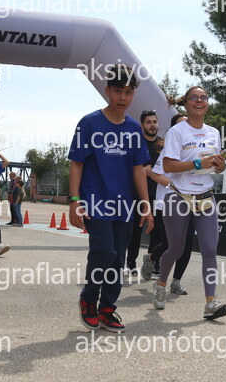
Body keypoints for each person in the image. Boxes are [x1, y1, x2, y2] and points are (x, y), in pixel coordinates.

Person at [69, 64, 153, 332]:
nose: (123, 97)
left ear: (133, 94)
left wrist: (146, 205)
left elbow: (138, 169)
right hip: (95, 201)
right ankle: (88, 300)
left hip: (124, 206)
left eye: (128, 92)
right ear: (107, 91)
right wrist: (74, 201)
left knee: (117, 259)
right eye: (118, 91)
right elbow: (77, 163)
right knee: (104, 252)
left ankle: (107, 309)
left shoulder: (134, 128)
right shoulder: (89, 123)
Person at [151, 86, 226, 320]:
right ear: (185, 103)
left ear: (207, 104)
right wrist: (197, 163)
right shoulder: (177, 132)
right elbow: (168, 166)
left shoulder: (213, 132)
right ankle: (161, 283)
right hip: (179, 197)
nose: (199, 101)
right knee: (176, 249)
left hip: (205, 196)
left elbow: (214, 167)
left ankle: (210, 302)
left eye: (204, 98)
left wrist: (220, 166)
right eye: (194, 98)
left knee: (210, 249)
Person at [141, 113, 194, 295]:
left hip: (190, 203)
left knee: (187, 244)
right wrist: (175, 186)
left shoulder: (195, 150)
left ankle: (176, 281)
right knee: (170, 244)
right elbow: (153, 174)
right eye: (181, 125)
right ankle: (152, 258)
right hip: (167, 203)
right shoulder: (167, 151)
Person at [125, 110, 163, 275]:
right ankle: (131, 263)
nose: (152, 125)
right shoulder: (136, 143)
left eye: (154, 122)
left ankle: (153, 263)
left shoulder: (162, 145)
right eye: (148, 122)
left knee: (158, 233)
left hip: (158, 195)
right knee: (135, 231)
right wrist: (143, 171)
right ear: (142, 125)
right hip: (137, 195)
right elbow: (127, 167)